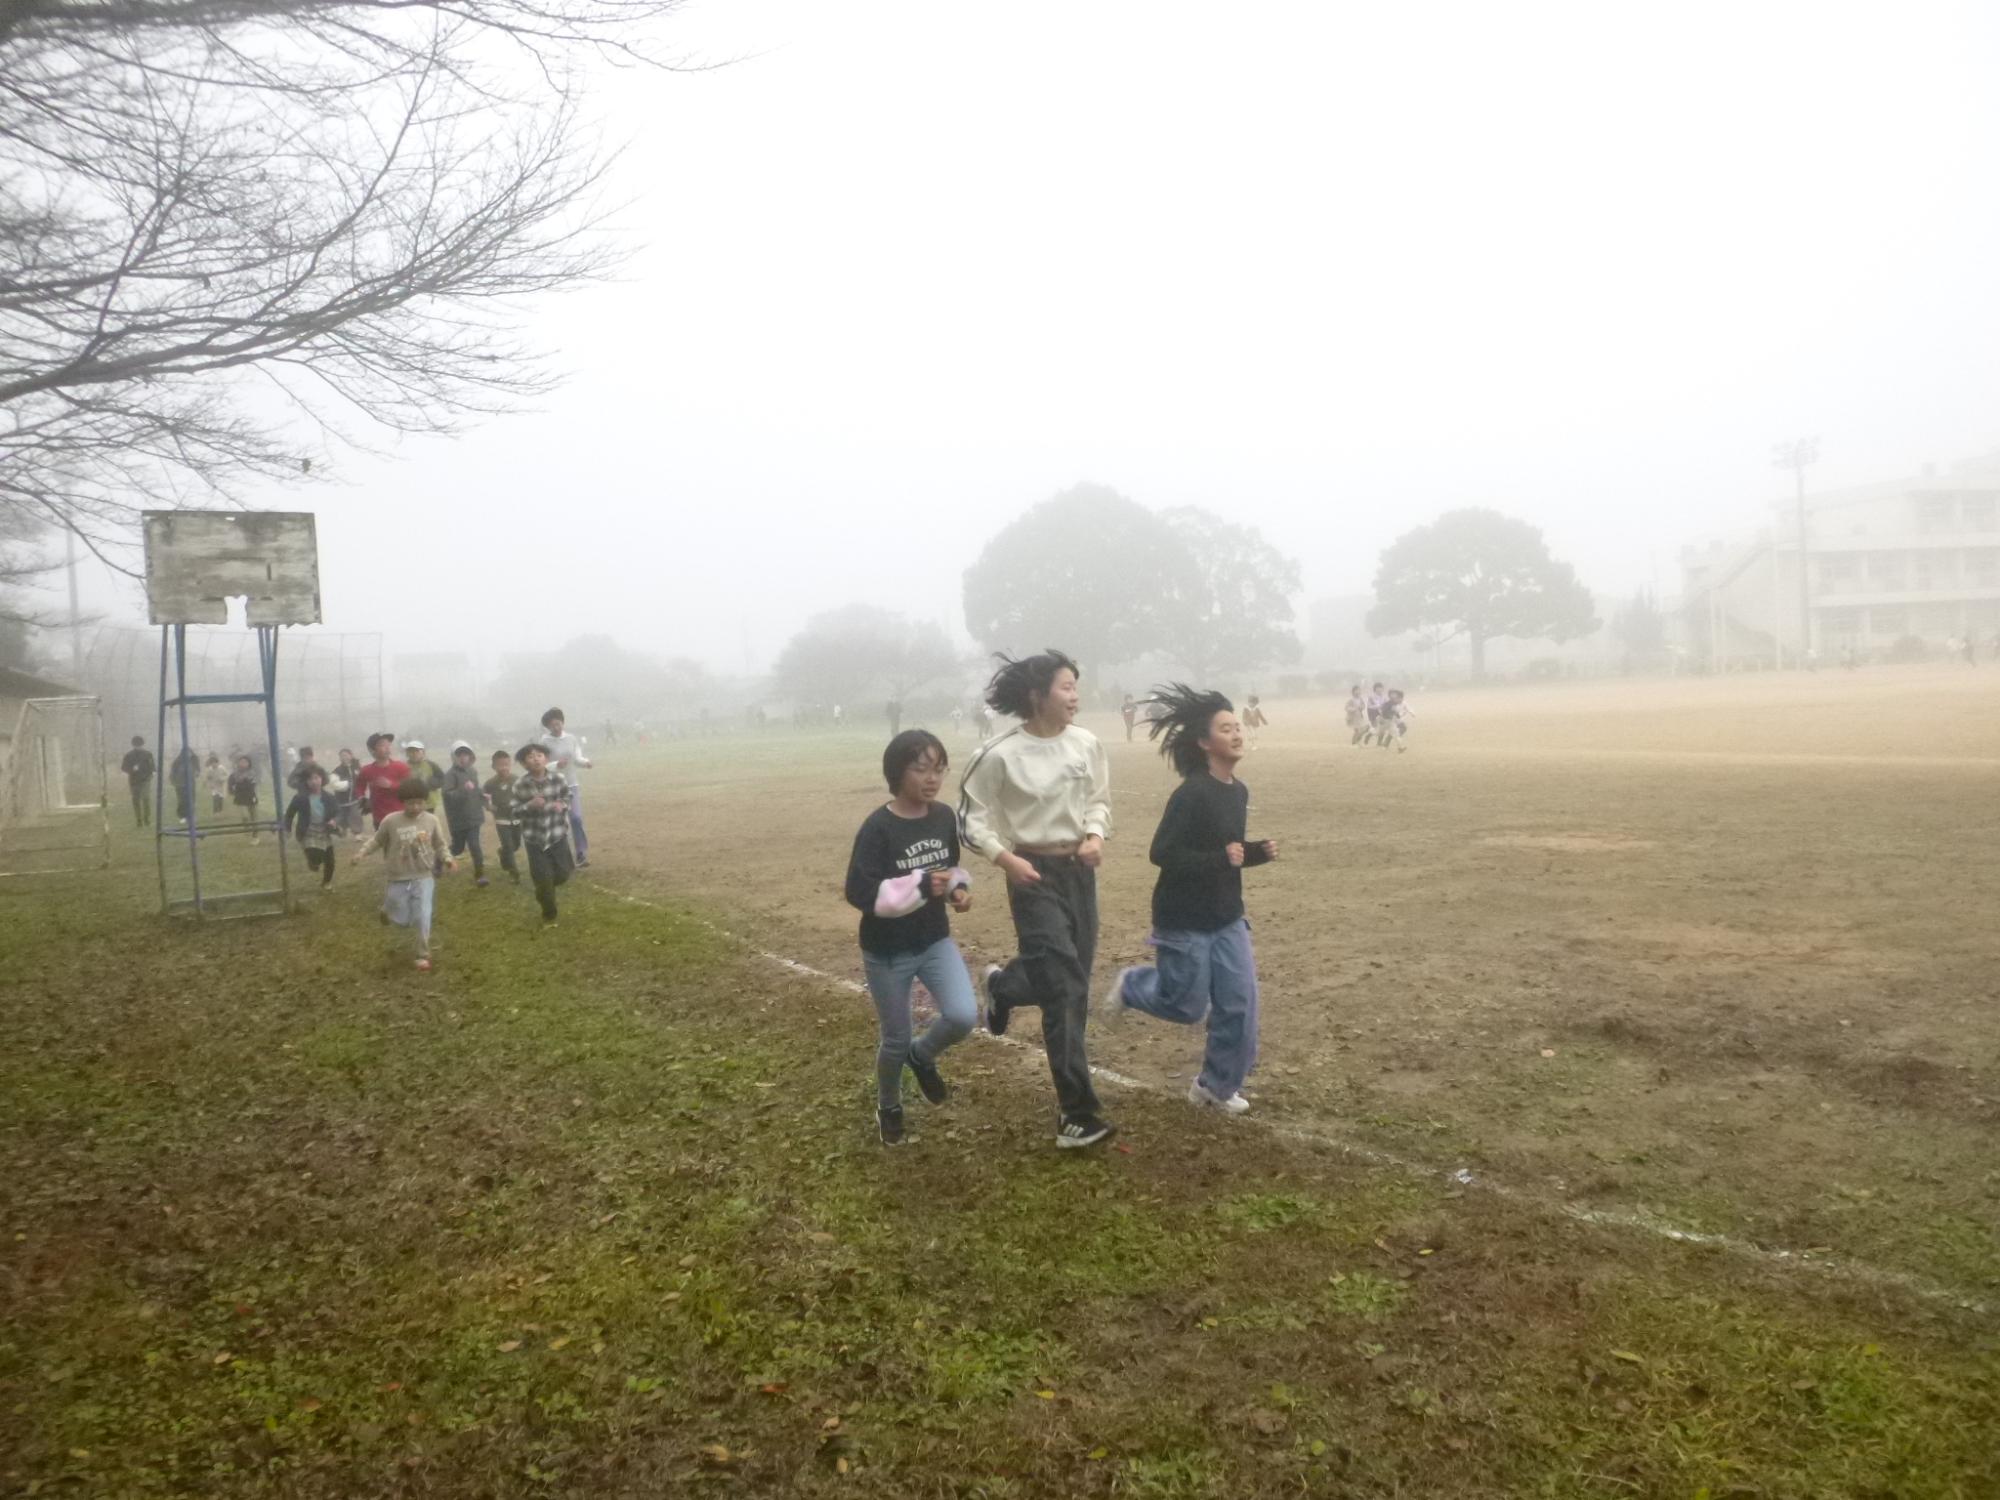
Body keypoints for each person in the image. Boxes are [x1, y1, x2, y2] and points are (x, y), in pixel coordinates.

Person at [958, 649, 1115, 1150]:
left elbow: (1098, 800)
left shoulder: (1086, 744)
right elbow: (971, 819)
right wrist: (1006, 860)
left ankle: (1004, 986)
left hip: (1078, 874)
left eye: (1076, 686)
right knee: (1066, 987)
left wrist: (1095, 836)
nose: (1076, 696)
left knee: (1071, 978)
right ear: (1036, 695)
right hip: (1030, 875)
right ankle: (1077, 1115)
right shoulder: (999, 753)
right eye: (1066, 687)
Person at [1109, 685, 1276, 1116]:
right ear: (1205, 743)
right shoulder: (1191, 793)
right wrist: (1222, 856)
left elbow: (1227, 853)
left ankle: (1214, 1088)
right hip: (1183, 919)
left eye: (1237, 726)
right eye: (1226, 728)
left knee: (1240, 1005)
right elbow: (1162, 853)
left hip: (1226, 917)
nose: (1237, 733)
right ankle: (1133, 985)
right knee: (1186, 1006)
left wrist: (1253, 853)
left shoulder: (1237, 791)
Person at [845, 729, 978, 1146]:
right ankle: (889, 1104)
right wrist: (921, 886)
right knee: (896, 1038)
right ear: (897, 772)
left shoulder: (943, 817)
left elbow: (948, 868)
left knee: (962, 1016)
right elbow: (860, 892)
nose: (932, 778)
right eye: (921, 768)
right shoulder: (878, 827)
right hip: (887, 951)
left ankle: (923, 1057)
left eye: (938, 769)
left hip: (934, 938)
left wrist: (957, 888)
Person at [352, 777, 454, 970]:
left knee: (423, 915)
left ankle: (422, 954)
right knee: (400, 915)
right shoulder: (391, 821)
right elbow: (377, 840)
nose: (415, 807)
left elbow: (440, 844)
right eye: (410, 803)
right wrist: (362, 853)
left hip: (423, 875)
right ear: (402, 802)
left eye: (420, 803)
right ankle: (387, 910)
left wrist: (447, 859)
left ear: (426, 801)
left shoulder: (431, 820)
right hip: (398, 876)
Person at [513, 741, 574, 923]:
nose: (535, 759)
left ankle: (543, 888)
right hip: (535, 839)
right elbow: (513, 811)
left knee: (564, 874)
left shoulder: (559, 779)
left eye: (539, 755)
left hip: (557, 835)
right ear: (524, 763)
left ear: (546, 759)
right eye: (530, 757)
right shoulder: (520, 785)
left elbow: (568, 797)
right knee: (543, 877)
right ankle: (549, 912)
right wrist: (529, 805)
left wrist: (561, 804)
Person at [537, 708, 593, 867]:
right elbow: (541, 765)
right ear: (548, 727)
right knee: (559, 822)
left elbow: (577, 758)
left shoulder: (571, 738)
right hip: (553, 787)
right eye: (553, 725)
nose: (556, 727)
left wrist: (585, 762)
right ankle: (560, 857)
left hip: (571, 784)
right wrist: (556, 764)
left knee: (576, 818)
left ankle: (581, 853)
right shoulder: (544, 742)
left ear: (563, 722)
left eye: (558, 723)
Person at [440, 739, 489, 888]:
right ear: (454, 757)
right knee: (458, 848)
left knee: (475, 845)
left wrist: (483, 796)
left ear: (471, 756)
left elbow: (475, 789)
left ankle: (480, 874)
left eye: (466, 754)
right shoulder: (450, 775)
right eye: (459, 755)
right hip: (458, 819)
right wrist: (463, 790)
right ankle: (439, 859)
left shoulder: (472, 771)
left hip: (474, 816)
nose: (463, 758)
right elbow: (447, 795)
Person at [283, 765, 340, 888]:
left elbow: (338, 812)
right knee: (314, 854)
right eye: (310, 779)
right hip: (308, 831)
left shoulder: (329, 797)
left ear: (322, 779)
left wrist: (334, 821)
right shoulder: (300, 798)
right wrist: (287, 829)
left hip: (325, 830)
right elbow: (289, 814)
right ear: (306, 782)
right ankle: (313, 862)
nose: (314, 782)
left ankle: (327, 882)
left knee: (330, 860)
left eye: (316, 778)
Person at [353, 732, 411, 828]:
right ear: (372, 750)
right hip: (379, 817)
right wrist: (362, 798)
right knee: (383, 842)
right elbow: (359, 786)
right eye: (382, 745)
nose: (387, 747)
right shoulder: (367, 770)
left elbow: (410, 788)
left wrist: (391, 785)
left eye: (388, 745)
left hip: (401, 815)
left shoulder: (401, 767)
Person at [484, 748, 523, 885]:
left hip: (516, 817)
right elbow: (485, 800)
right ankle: (514, 873)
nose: (504, 768)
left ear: (510, 764)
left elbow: (524, 795)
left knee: (516, 844)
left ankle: (502, 853)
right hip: (501, 819)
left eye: (506, 764)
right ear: (494, 766)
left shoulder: (517, 780)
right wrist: (489, 806)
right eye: (500, 765)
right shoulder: (490, 784)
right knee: (508, 844)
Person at [120, 736, 155, 827]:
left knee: (146, 799)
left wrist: (152, 773)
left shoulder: (148, 754)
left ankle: (147, 819)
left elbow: (152, 766)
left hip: (145, 780)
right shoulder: (128, 755)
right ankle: (139, 820)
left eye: (139, 745)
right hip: (134, 781)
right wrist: (132, 769)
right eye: (136, 745)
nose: (138, 747)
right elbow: (123, 768)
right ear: (133, 745)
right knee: (136, 800)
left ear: (142, 745)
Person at [226, 753, 261, 842]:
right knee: (244, 815)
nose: (243, 763)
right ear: (238, 763)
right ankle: (247, 828)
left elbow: (255, 784)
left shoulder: (252, 773)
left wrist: (254, 792)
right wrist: (232, 791)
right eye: (241, 762)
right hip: (240, 797)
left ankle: (255, 836)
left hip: (251, 796)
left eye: (245, 762)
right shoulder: (234, 774)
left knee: (254, 817)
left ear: (249, 763)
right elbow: (230, 785)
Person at [329, 748, 363, 836]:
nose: (344, 757)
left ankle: (357, 833)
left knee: (355, 814)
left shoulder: (357, 767)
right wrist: (347, 784)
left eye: (346, 755)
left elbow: (362, 779)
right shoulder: (337, 770)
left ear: (351, 755)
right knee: (342, 816)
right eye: (342, 756)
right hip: (341, 799)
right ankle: (342, 830)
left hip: (355, 798)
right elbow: (334, 784)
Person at [402, 739, 444, 803]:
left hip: (430, 802)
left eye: (417, 751)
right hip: (412, 803)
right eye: (411, 751)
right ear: (407, 753)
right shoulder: (404, 767)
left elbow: (442, 779)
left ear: (423, 752)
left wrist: (431, 783)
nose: (414, 754)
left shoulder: (431, 765)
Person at [168, 746, 198, 825]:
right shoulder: (177, 762)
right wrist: (174, 782)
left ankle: (191, 816)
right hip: (180, 784)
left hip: (191, 783)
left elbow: (197, 769)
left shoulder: (193, 760)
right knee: (182, 801)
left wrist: (197, 773)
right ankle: (182, 816)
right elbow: (172, 773)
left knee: (192, 799)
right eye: (187, 753)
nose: (189, 754)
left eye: (190, 752)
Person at [203, 752, 227, 816]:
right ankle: (215, 812)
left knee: (220, 800)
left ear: (217, 763)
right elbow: (207, 777)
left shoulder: (222, 768)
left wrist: (222, 779)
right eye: (212, 763)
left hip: (221, 787)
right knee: (215, 799)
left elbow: (226, 775)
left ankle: (220, 811)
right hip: (214, 787)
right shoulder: (209, 770)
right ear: (210, 764)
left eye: (215, 762)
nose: (214, 764)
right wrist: (207, 782)